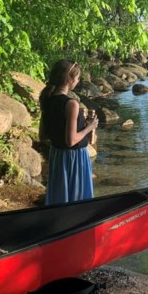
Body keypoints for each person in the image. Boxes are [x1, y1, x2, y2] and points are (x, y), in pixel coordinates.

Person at [39, 59, 99, 204]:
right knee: (77, 199)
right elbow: (71, 140)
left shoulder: (47, 99)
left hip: (57, 155)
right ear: (70, 79)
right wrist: (89, 128)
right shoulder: (71, 103)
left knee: (60, 197)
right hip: (74, 157)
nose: (78, 81)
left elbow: (42, 136)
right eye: (77, 77)